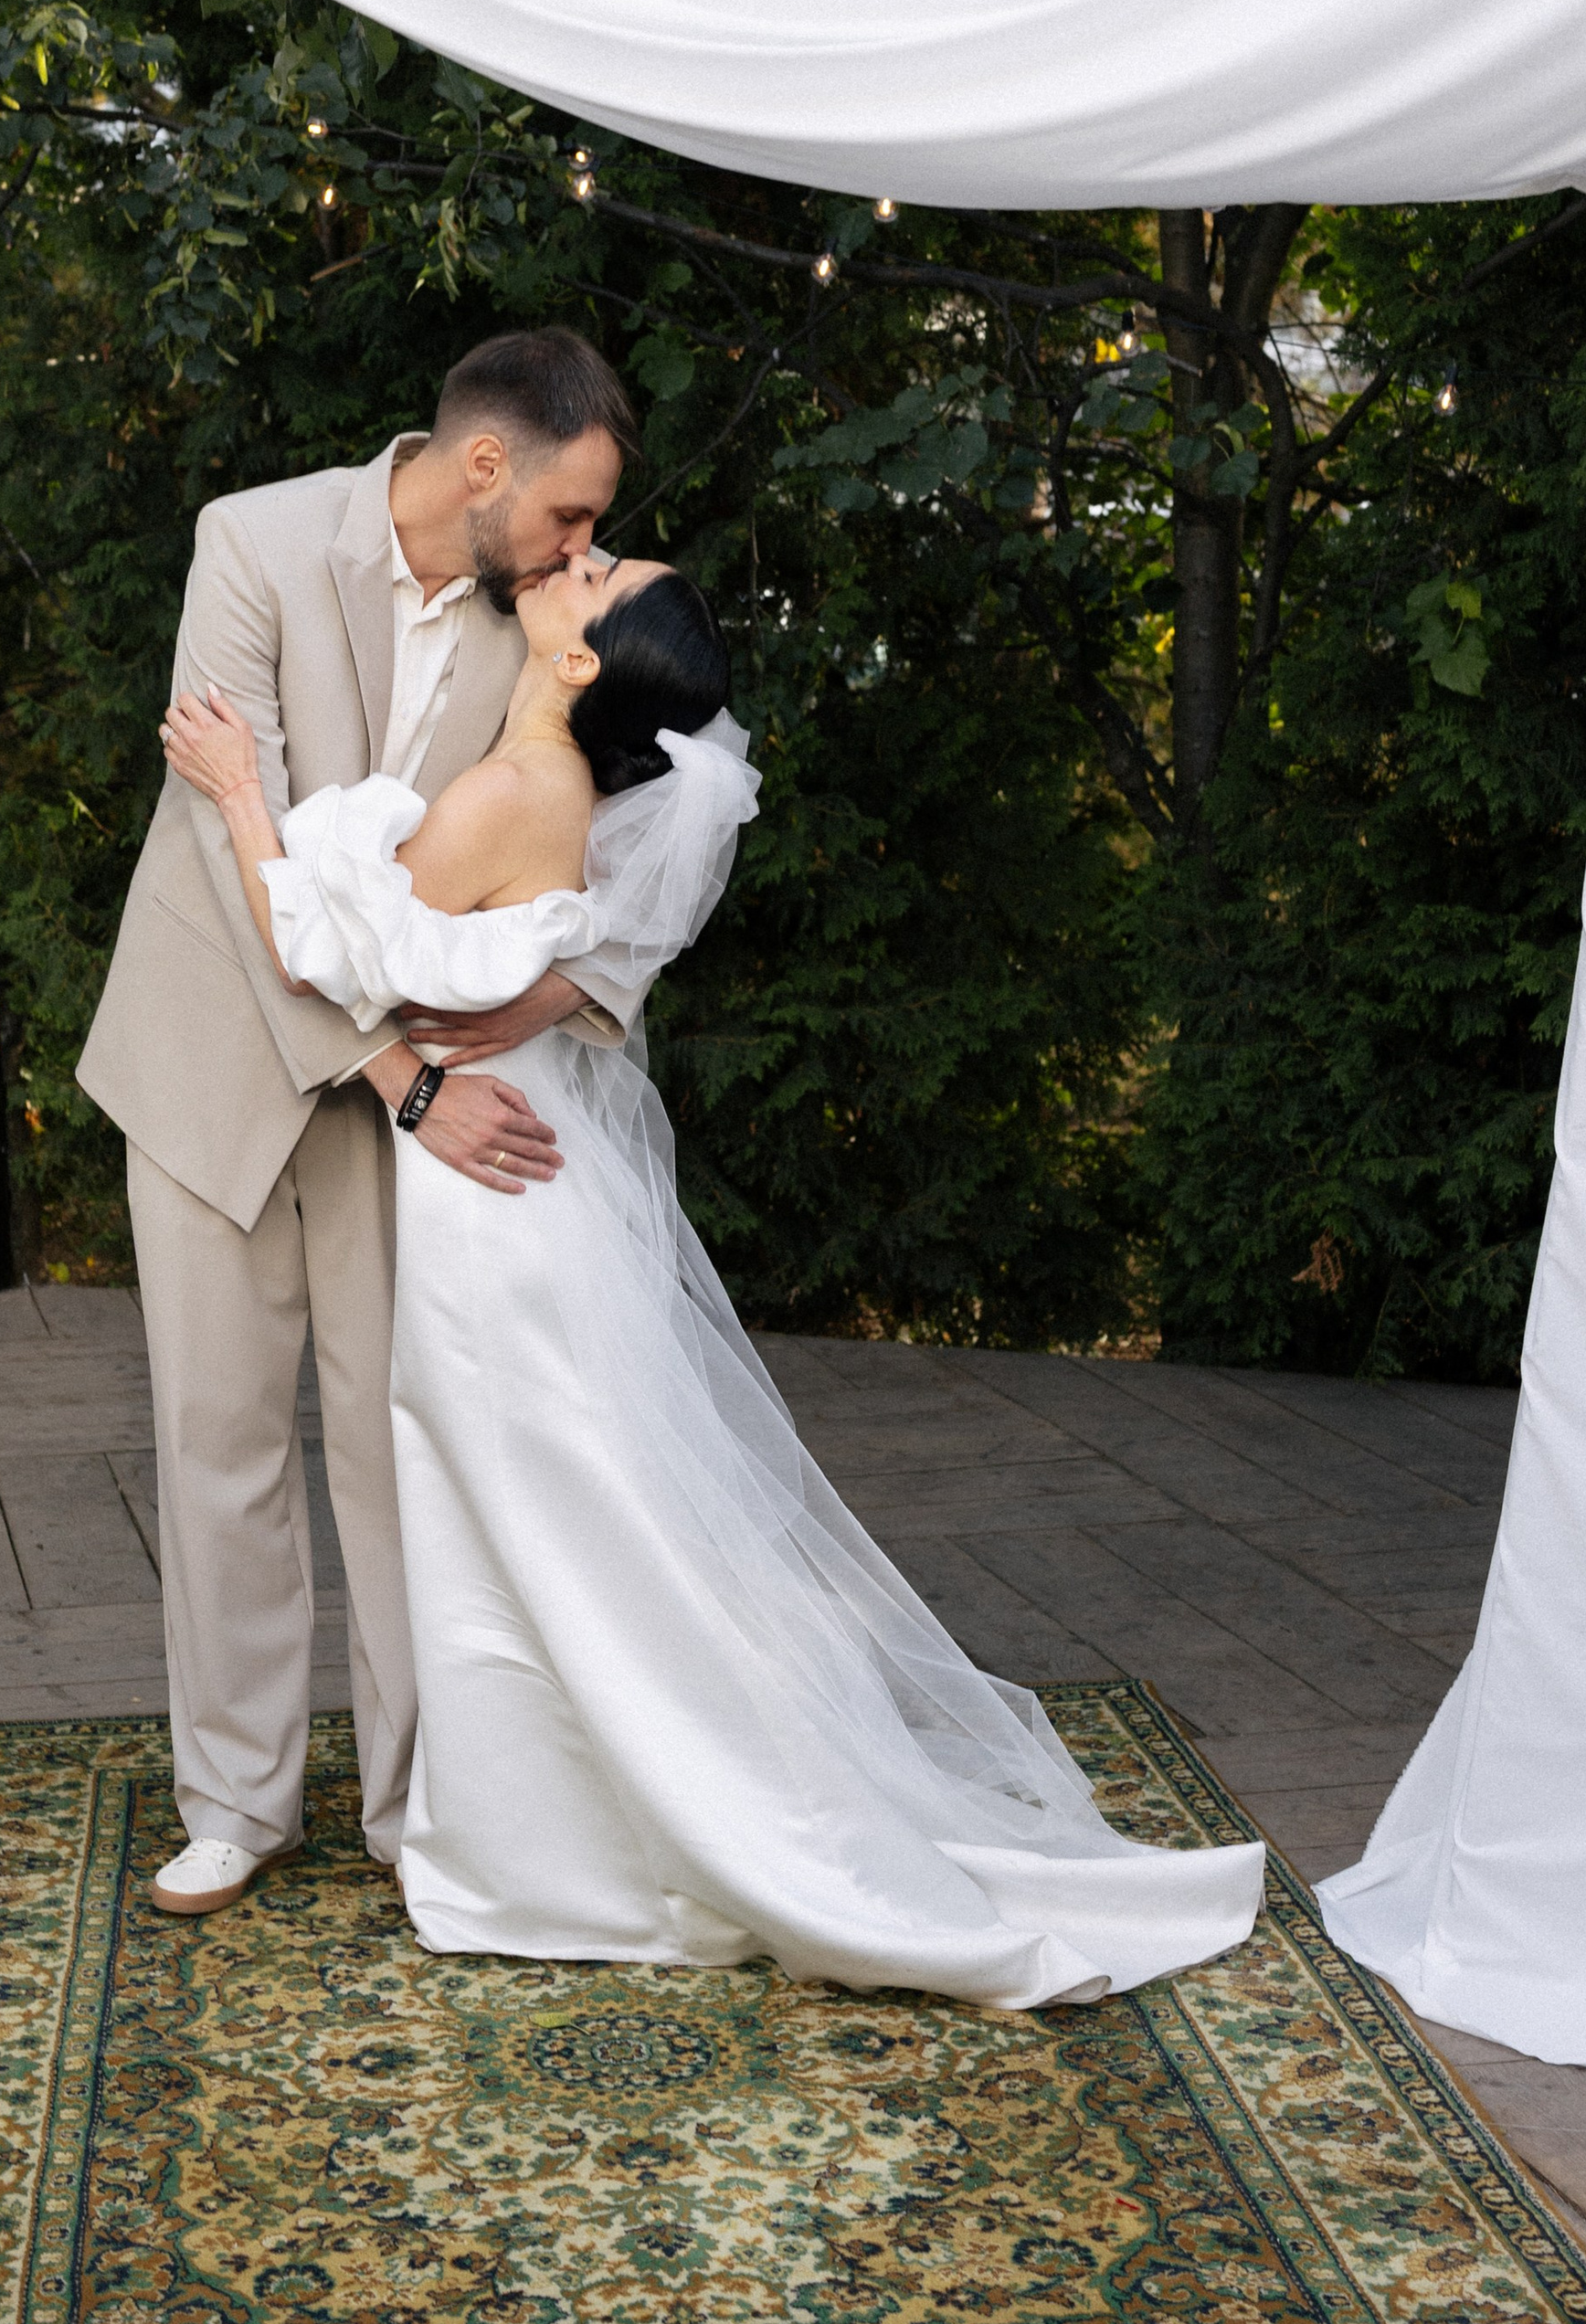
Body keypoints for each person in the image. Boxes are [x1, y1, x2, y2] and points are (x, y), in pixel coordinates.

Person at [159, 553, 1266, 2013]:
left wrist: (241, 796)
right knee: (546, 1509)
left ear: (576, 665)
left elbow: (315, 949)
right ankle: (534, 1833)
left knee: (537, 1510)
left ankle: (593, 1843)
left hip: (490, 1206)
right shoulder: (565, 793)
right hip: (522, 1168)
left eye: (597, 573)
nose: (575, 562)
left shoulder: (515, 793)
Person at [77, 331, 652, 1917]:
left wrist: (536, 1019)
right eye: (568, 516)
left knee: (396, 1449)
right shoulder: (251, 543)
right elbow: (225, 840)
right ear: (486, 466)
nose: (578, 549)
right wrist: (406, 1076)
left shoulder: (532, 628)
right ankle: (238, 1799)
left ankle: (416, 1805)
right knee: (217, 1442)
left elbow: (604, 868)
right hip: (217, 1058)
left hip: (416, 1103)